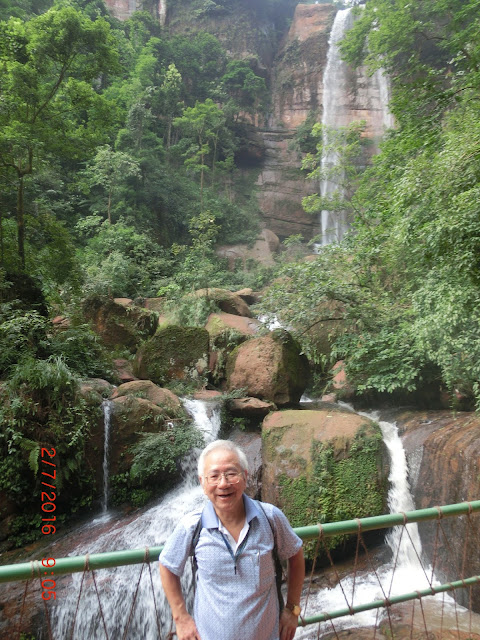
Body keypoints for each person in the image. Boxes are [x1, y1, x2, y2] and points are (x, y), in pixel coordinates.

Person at [159, 439, 305, 640]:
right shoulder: (192, 526)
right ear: (202, 482)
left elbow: (295, 555)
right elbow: (167, 565)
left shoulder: (270, 518)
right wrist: (181, 617)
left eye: (231, 474)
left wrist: (292, 609)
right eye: (214, 476)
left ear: (245, 476)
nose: (223, 483)